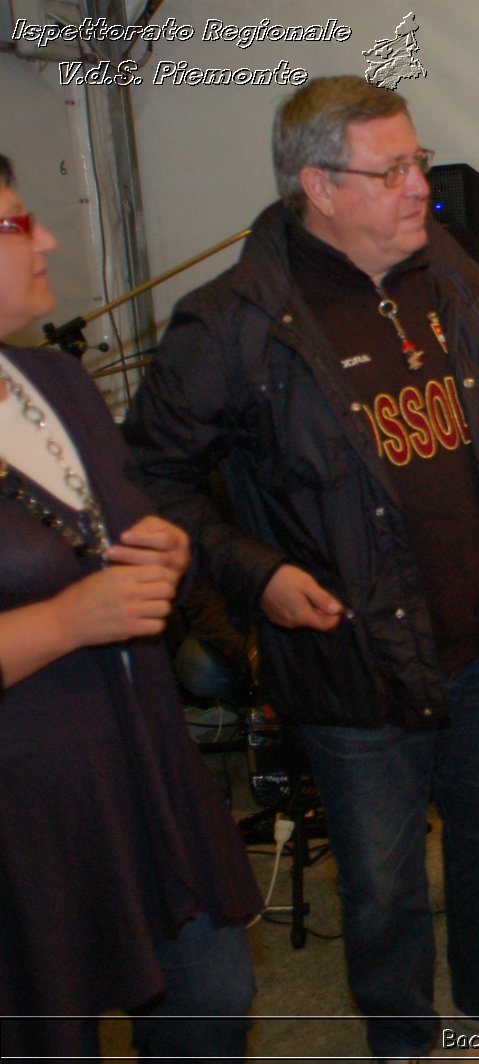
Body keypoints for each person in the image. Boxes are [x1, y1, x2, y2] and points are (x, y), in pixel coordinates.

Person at [122, 78, 479, 1062]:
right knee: (381, 873)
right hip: (350, 650)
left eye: (417, 162)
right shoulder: (233, 320)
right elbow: (148, 481)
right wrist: (255, 576)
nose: (422, 186)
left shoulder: (449, 268)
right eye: (394, 171)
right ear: (318, 186)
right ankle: (403, 1033)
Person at [0, 152, 260, 1060]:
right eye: (12, 225)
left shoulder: (57, 386)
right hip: (25, 807)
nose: (48, 239)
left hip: (138, 762)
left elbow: (128, 525)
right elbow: (73, 599)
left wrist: (169, 548)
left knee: (212, 997)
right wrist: (69, 621)